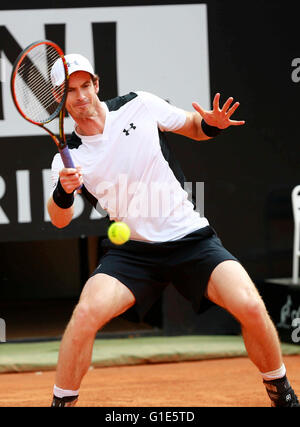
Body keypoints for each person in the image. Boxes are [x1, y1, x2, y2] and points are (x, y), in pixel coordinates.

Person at [48, 53, 299, 408]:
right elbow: (59, 218)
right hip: (133, 254)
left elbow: (195, 127)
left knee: (250, 305)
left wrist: (211, 124)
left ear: (97, 84)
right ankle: (62, 403)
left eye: (86, 85)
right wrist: (63, 190)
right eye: (71, 90)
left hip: (191, 241)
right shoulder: (68, 157)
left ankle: (280, 391)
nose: (81, 96)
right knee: (85, 314)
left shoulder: (140, 104)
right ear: (59, 98)